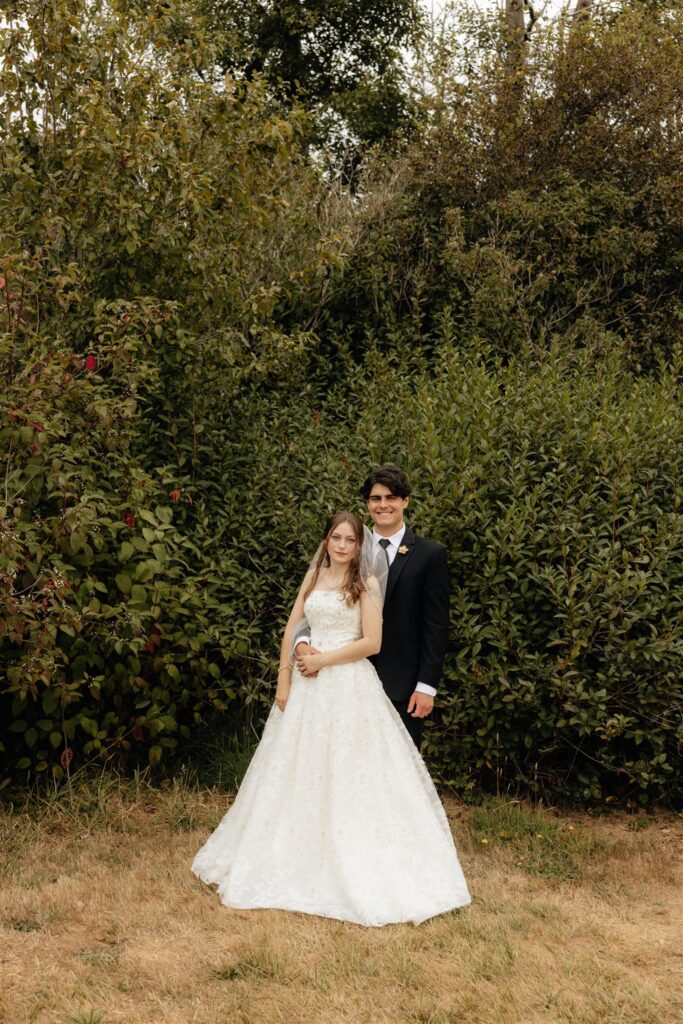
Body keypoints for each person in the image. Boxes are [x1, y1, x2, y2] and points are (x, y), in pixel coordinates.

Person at [191, 510, 470, 927]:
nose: (341, 545)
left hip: (349, 684)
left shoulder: (368, 584)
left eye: (350, 540)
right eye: (335, 538)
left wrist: (324, 658)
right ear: (326, 540)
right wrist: (285, 676)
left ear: (361, 546)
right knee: (295, 769)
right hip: (306, 686)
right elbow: (292, 628)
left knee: (348, 770)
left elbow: (372, 643)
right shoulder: (314, 577)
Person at [296, 465, 449, 748]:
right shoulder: (347, 546)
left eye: (391, 497)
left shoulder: (429, 555)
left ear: (405, 501)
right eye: (375, 498)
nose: (383, 505)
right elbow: (317, 606)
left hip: (402, 685)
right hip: (343, 680)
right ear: (368, 504)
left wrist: (426, 686)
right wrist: (302, 643)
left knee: (395, 771)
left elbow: (436, 627)